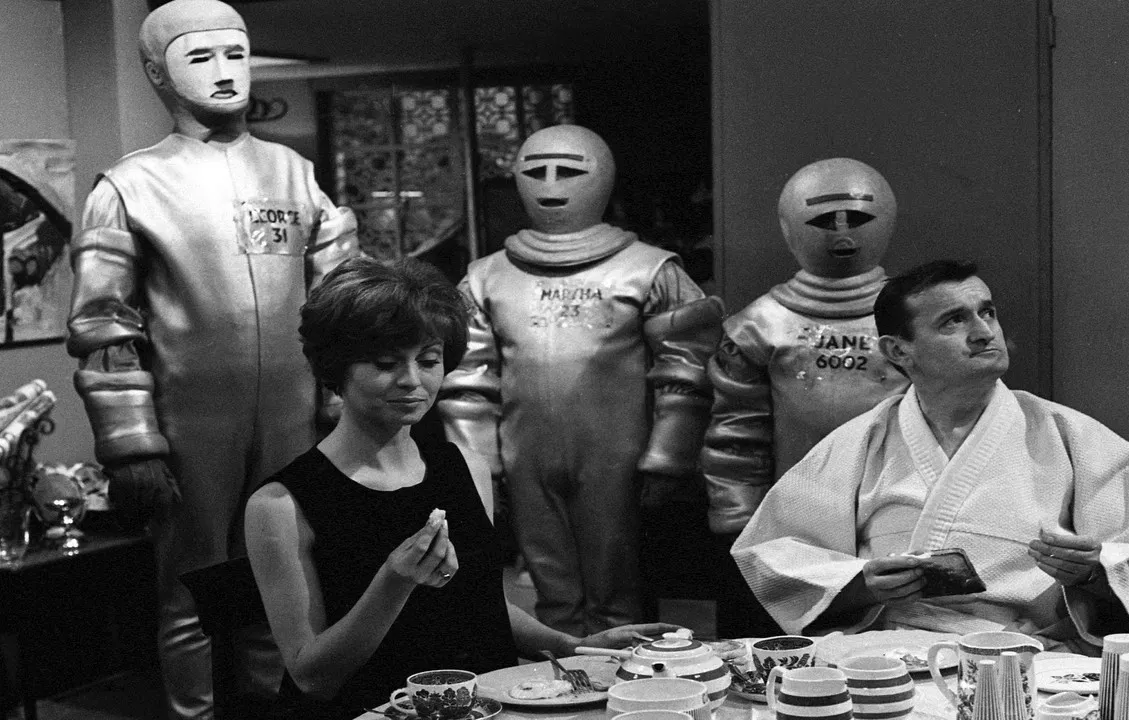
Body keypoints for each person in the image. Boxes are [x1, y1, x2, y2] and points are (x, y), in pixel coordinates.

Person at [64, 1, 358, 716]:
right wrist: (131, 444)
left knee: (284, 580)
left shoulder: (295, 174)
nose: (225, 72)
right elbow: (103, 323)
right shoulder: (129, 186)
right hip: (187, 426)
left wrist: (343, 406)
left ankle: (275, 709)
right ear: (156, 73)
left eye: (236, 53)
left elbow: (345, 301)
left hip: (294, 420)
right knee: (189, 592)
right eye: (201, 57)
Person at [245, 257, 677, 720]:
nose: (412, 380)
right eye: (386, 363)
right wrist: (394, 583)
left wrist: (573, 646)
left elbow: (478, 602)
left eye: (428, 361)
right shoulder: (281, 504)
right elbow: (312, 677)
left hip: (487, 709)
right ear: (335, 369)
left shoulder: (464, 467)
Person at [731, 260, 1129, 654]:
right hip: (891, 654)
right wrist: (861, 584)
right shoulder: (861, 441)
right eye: (953, 321)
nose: (983, 332)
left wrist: (1092, 571)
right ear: (898, 351)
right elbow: (773, 551)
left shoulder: (1067, 434)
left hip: (1029, 655)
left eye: (987, 312)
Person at [437, 124, 723, 635]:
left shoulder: (649, 269)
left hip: (620, 458)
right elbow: (467, 378)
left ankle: (631, 677)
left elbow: (686, 368)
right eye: (536, 170)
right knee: (553, 589)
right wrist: (478, 464)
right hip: (525, 457)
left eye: (568, 170)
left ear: (602, 176)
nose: (551, 184)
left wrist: (668, 456)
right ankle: (561, 673)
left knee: (622, 588)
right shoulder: (485, 277)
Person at [701, 158, 909, 637]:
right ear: (790, 227)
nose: (842, 234)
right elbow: (736, 429)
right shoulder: (759, 324)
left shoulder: (913, 314)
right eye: (823, 220)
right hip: (791, 518)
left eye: (858, 218)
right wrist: (737, 515)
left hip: (895, 506)